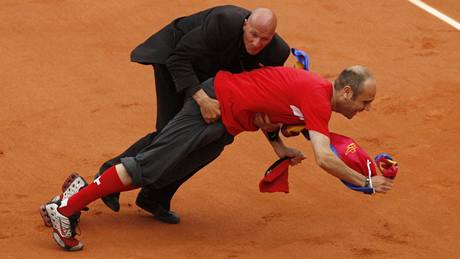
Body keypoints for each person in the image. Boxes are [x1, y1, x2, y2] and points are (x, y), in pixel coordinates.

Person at [41, 65, 393, 251]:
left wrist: (279, 147)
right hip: (210, 108)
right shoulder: (317, 98)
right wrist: (366, 183)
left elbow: (271, 110)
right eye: (365, 102)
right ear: (346, 92)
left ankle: (75, 194)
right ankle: (66, 208)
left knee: (172, 168)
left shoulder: (313, 94)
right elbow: (324, 158)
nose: (367, 108)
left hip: (226, 124)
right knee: (146, 166)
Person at [97, 5, 290, 222]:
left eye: (264, 39)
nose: (257, 44)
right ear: (245, 23)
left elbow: (258, 98)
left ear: (273, 37)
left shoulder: (277, 53)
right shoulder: (224, 22)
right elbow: (178, 58)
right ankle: (107, 178)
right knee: (170, 135)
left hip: (212, 78)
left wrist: (277, 141)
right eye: (253, 34)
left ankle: (155, 197)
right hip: (176, 60)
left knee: (210, 144)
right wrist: (202, 99)